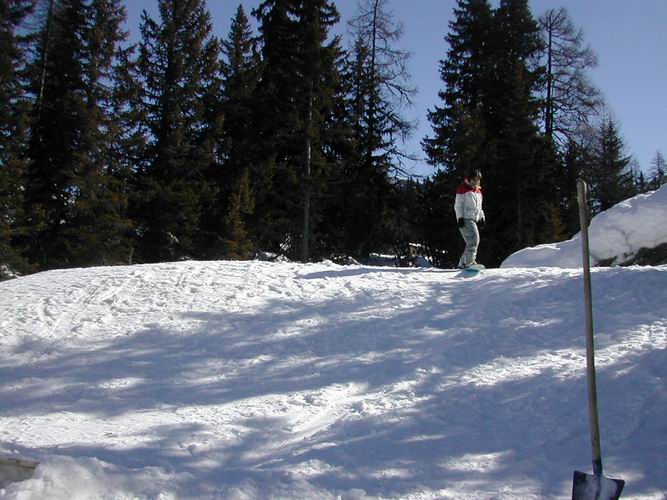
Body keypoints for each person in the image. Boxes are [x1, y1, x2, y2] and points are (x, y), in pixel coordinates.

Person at [454, 170, 485, 269]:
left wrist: (481, 217)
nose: (476, 182)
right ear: (469, 179)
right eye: (474, 180)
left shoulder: (478, 191)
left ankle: (462, 263)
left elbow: (479, 207)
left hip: (474, 219)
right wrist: (460, 218)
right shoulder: (463, 189)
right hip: (466, 219)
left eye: (478, 180)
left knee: (471, 241)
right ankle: (469, 262)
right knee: (474, 239)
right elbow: (458, 206)